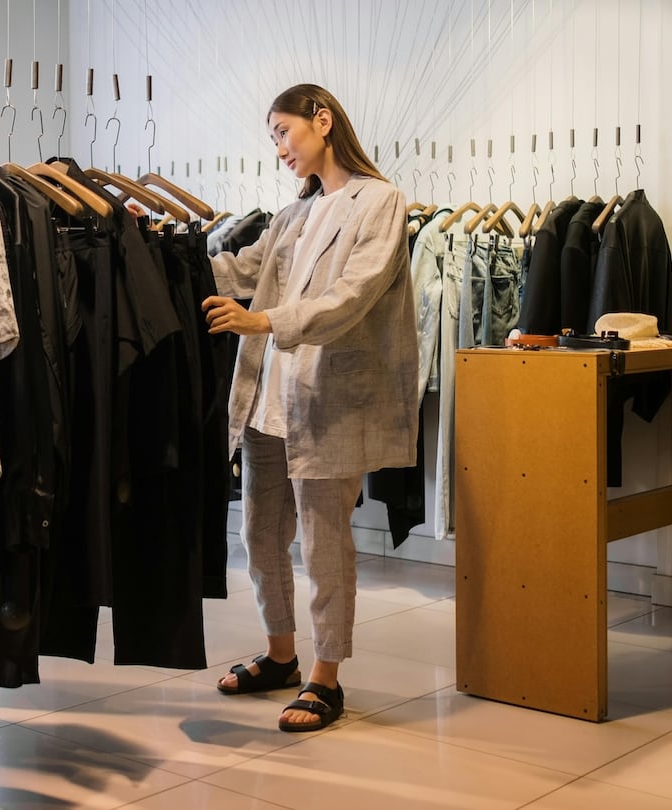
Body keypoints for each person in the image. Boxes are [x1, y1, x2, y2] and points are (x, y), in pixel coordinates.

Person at [201, 83, 416, 732]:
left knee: (324, 541)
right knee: (259, 533)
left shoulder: (380, 202)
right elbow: (244, 270)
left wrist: (263, 320)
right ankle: (280, 655)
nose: (278, 148)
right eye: (271, 137)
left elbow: (353, 297)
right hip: (273, 395)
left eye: (282, 131)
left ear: (322, 121)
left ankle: (327, 677)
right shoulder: (294, 215)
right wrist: (154, 255)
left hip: (330, 399)